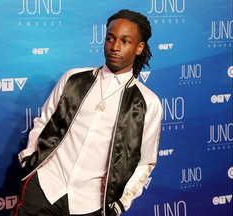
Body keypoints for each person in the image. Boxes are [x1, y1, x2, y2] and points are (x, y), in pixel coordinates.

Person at [10, 9, 162, 216]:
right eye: (110, 38)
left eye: (125, 41)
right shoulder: (73, 78)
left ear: (139, 47)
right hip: (44, 188)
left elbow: (145, 162)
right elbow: (43, 121)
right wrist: (30, 160)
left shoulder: (148, 103)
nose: (115, 47)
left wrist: (120, 204)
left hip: (90, 204)